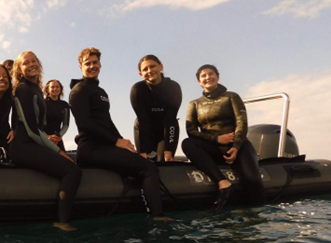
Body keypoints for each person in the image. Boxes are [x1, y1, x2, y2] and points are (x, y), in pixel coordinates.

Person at [69, 47, 168, 220]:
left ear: (100, 64)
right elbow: (85, 123)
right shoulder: (79, 90)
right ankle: (158, 217)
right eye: (87, 63)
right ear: (81, 67)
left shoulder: (101, 92)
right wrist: (115, 141)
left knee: (139, 161)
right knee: (149, 168)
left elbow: (107, 123)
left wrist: (124, 143)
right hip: (90, 148)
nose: (92, 66)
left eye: (95, 62)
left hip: (104, 145)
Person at [8, 51, 82, 231]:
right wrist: (59, 152)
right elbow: (32, 131)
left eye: (34, 61)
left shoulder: (36, 90)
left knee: (70, 165)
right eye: (26, 63)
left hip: (32, 143)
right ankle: (62, 221)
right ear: (19, 69)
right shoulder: (23, 89)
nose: (32, 64)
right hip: (23, 146)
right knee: (72, 170)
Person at [182, 65, 264, 209]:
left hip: (238, 146)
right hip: (213, 147)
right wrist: (216, 140)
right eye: (204, 76)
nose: (208, 77)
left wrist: (236, 147)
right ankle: (223, 183)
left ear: (217, 77)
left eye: (211, 74)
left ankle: (254, 217)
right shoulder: (194, 104)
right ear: (199, 82)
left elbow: (242, 123)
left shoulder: (231, 96)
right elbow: (191, 131)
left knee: (253, 182)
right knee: (187, 143)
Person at [130, 55, 182, 162]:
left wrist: (169, 150)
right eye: (145, 69)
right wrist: (143, 151)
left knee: (163, 161)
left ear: (161, 66)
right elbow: (143, 119)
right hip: (145, 129)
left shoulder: (173, 87)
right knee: (147, 162)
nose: (149, 71)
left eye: (152, 66)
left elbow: (170, 119)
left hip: (166, 129)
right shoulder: (138, 90)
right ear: (141, 74)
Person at [43, 79, 71, 151]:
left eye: (57, 87)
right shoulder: (43, 103)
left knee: (65, 160)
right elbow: (39, 124)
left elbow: (66, 124)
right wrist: (47, 137)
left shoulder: (64, 105)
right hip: (44, 138)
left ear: (61, 89)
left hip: (57, 138)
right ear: (47, 89)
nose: (55, 89)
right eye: (52, 87)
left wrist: (59, 135)